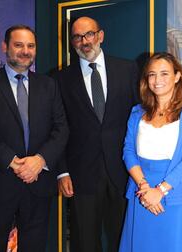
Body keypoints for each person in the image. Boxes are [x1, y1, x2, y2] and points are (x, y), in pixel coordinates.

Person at [0, 25, 68, 252]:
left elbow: (61, 129)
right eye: (18, 45)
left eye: (30, 46)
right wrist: (13, 162)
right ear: (5, 47)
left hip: (38, 182)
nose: (25, 51)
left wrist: (39, 161)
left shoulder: (48, 85)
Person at [54, 16, 139, 251]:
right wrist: (61, 172)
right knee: (85, 241)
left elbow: (138, 119)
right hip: (81, 176)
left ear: (100, 36)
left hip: (123, 171)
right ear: (72, 42)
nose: (84, 41)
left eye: (89, 34)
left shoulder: (127, 69)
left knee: (122, 238)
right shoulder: (60, 80)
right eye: (77, 37)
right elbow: (58, 130)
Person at [119, 52, 182, 251]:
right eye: (152, 74)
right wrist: (145, 188)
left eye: (164, 74)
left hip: (175, 193)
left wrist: (160, 191)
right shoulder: (137, 112)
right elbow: (128, 151)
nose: (157, 80)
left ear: (177, 76)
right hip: (141, 191)